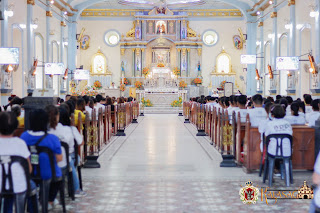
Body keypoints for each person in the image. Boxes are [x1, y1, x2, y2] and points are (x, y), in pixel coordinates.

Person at [20, 109, 62, 211]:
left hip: (29, 174)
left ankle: (32, 206)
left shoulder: (24, 136)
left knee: (31, 183)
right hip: (49, 174)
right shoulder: (52, 138)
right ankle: (48, 201)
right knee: (57, 179)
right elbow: (59, 158)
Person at [0, 112, 32, 213]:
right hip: (18, 187)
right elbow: (29, 169)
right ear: (16, 127)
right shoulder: (20, 143)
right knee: (31, 185)